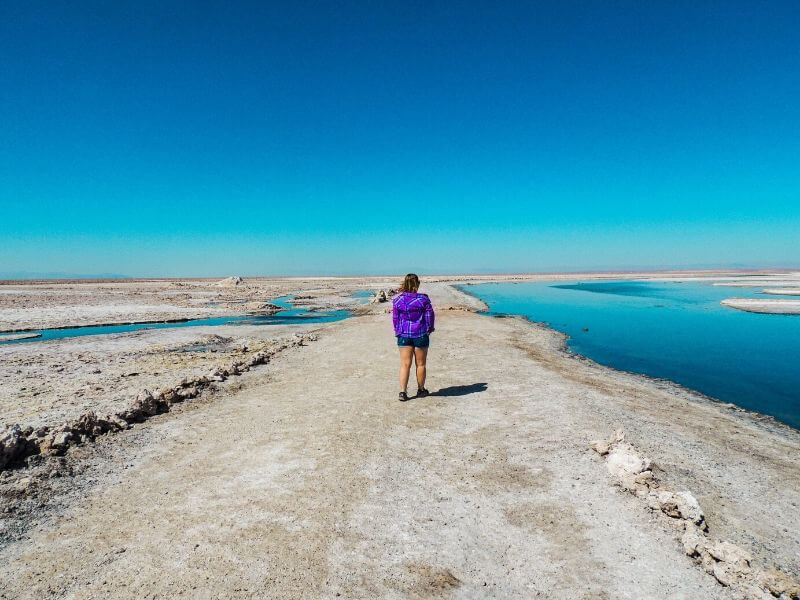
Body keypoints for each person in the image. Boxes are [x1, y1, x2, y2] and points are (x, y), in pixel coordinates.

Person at [392, 273, 435, 401]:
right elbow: (430, 317)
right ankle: (421, 390)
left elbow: (395, 319)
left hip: (404, 335)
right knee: (420, 364)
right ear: (417, 284)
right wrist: (429, 329)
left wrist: (397, 331)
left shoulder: (398, 300)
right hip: (421, 334)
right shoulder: (423, 300)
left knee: (405, 364)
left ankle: (402, 392)